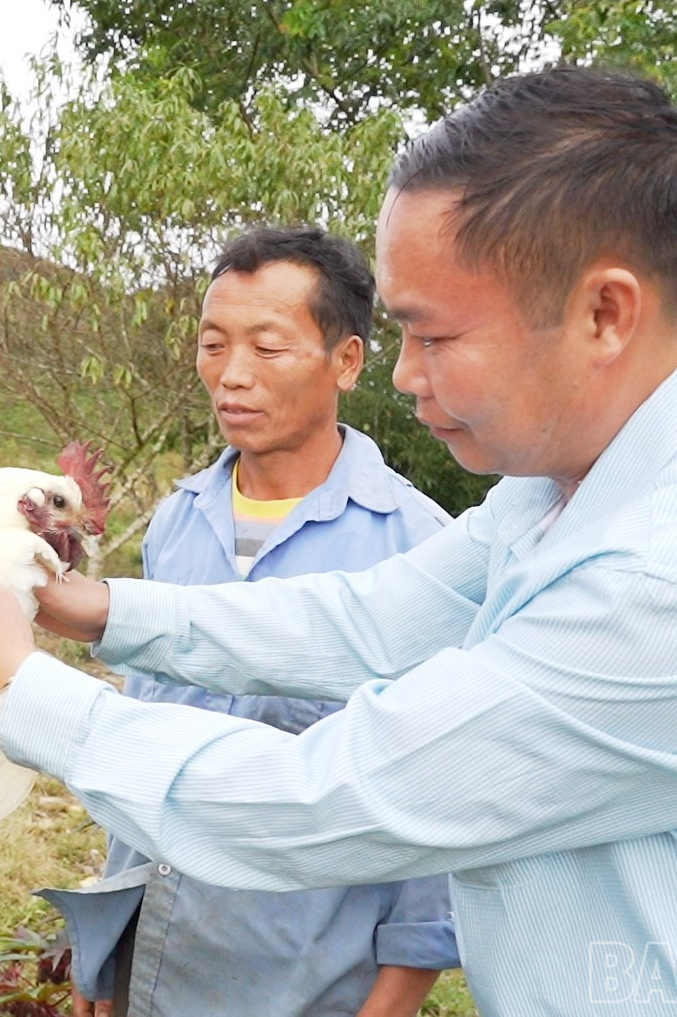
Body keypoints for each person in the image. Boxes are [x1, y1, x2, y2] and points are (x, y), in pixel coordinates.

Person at [0, 66, 677, 1015]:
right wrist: (95, 610)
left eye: (433, 334)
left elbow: (331, 798)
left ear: (603, 314)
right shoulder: (567, 491)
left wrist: (20, 689)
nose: (404, 376)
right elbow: (373, 620)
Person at [49, 226, 457, 1017]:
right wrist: (105, 955)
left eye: (267, 348)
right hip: (152, 961)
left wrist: (392, 1004)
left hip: (301, 984)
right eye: (213, 346)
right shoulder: (177, 523)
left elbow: (432, 806)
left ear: (346, 361)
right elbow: (142, 739)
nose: (232, 375)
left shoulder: (417, 549)